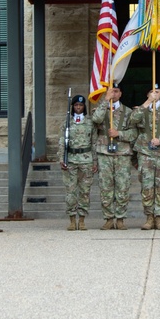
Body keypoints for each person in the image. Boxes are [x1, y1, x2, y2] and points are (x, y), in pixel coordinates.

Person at [128, 87, 160, 230]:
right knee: (147, 187)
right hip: (145, 153)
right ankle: (149, 217)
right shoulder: (142, 109)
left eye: (157, 91)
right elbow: (132, 120)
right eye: (152, 91)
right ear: (147, 93)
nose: (154, 94)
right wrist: (147, 102)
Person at [91, 84, 136, 229]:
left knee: (122, 187)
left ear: (121, 93)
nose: (113, 94)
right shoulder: (101, 109)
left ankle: (121, 218)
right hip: (104, 153)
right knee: (106, 187)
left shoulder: (128, 112)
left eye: (116, 91)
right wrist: (105, 100)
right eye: (111, 91)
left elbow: (134, 134)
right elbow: (96, 120)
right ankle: (109, 218)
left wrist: (119, 134)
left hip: (122, 153)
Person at [61, 94, 96, 231]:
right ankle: (71, 219)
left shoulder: (89, 122)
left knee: (85, 191)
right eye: (76, 105)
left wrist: (95, 161)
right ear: (73, 107)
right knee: (70, 191)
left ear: (84, 107)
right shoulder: (67, 122)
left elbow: (94, 142)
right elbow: (61, 141)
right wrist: (61, 158)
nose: (78, 108)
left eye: (80, 105)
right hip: (71, 158)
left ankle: (81, 219)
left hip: (86, 159)